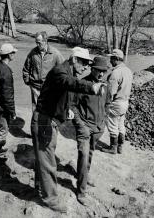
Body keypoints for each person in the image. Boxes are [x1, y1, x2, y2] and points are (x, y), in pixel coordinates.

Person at [31, 47, 106, 213]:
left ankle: (39, 185)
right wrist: (92, 87)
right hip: (44, 120)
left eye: (88, 64)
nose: (86, 67)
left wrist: (67, 110)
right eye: (84, 63)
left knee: (43, 157)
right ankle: (50, 199)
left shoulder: (67, 72)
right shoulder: (61, 72)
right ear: (74, 59)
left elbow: (62, 93)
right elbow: (70, 83)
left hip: (49, 119)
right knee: (49, 162)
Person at [70, 56, 109, 206]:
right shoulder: (82, 84)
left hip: (97, 128)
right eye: (98, 71)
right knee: (84, 155)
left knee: (90, 154)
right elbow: (72, 106)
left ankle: (84, 176)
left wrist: (103, 122)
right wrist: (81, 126)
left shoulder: (105, 86)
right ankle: (81, 192)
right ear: (92, 69)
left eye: (103, 72)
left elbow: (108, 104)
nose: (101, 74)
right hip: (85, 127)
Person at [22, 31, 64, 111]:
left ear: (45, 41)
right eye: (36, 42)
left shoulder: (55, 53)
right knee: (35, 111)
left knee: (48, 111)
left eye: (39, 43)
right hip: (35, 87)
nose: (37, 45)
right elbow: (26, 69)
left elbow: (63, 70)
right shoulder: (32, 53)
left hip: (49, 88)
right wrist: (28, 82)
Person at [102, 49, 133, 155]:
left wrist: (106, 104)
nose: (110, 60)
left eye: (112, 58)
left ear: (116, 59)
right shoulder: (128, 70)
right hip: (125, 101)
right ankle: (120, 147)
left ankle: (113, 148)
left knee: (112, 124)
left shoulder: (115, 73)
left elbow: (111, 92)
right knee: (121, 124)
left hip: (116, 102)